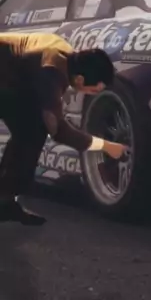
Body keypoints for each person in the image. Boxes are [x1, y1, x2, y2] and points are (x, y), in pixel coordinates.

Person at [0, 33, 128, 225]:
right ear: (80, 80)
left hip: (10, 80)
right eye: (93, 90)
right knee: (35, 128)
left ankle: (5, 201)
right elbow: (59, 132)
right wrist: (107, 146)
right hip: (7, 79)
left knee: (32, 130)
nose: (91, 94)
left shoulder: (66, 56)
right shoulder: (51, 73)